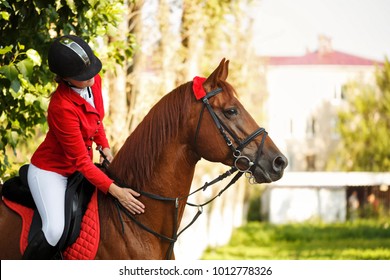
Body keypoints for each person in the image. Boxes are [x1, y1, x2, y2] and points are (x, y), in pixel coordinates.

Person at [24, 35, 145, 259]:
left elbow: (97, 120)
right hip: (50, 171)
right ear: (66, 78)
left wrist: (105, 147)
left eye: (91, 72)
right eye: (83, 76)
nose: (91, 78)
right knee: (54, 230)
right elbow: (80, 162)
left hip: (79, 168)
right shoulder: (61, 107)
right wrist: (117, 192)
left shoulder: (94, 80)